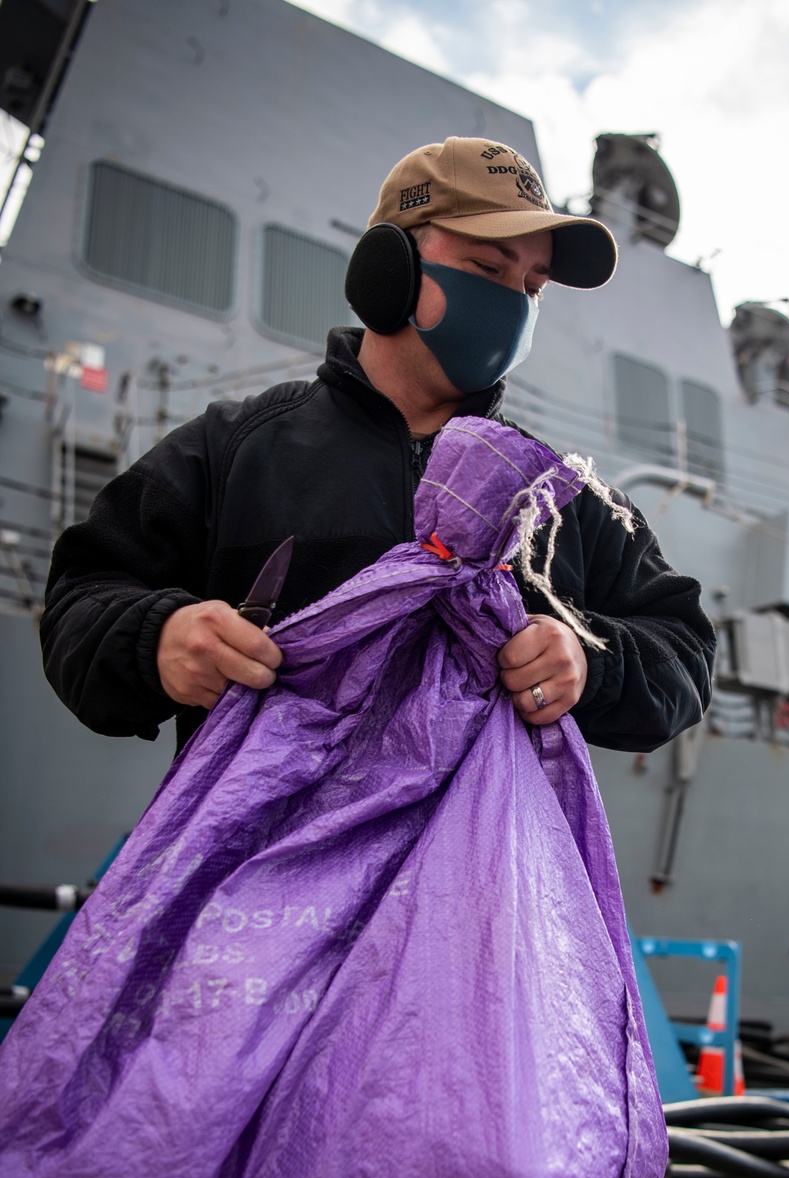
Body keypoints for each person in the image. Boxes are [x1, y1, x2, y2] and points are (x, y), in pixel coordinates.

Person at [41, 137, 714, 752]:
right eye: (488, 266)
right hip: (260, 876)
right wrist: (157, 638)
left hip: (474, 883)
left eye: (532, 288)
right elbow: (83, 594)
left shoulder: (558, 499)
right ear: (388, 266)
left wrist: (588, 660)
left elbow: (682, 650)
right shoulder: (234, 449)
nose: (513, 304)